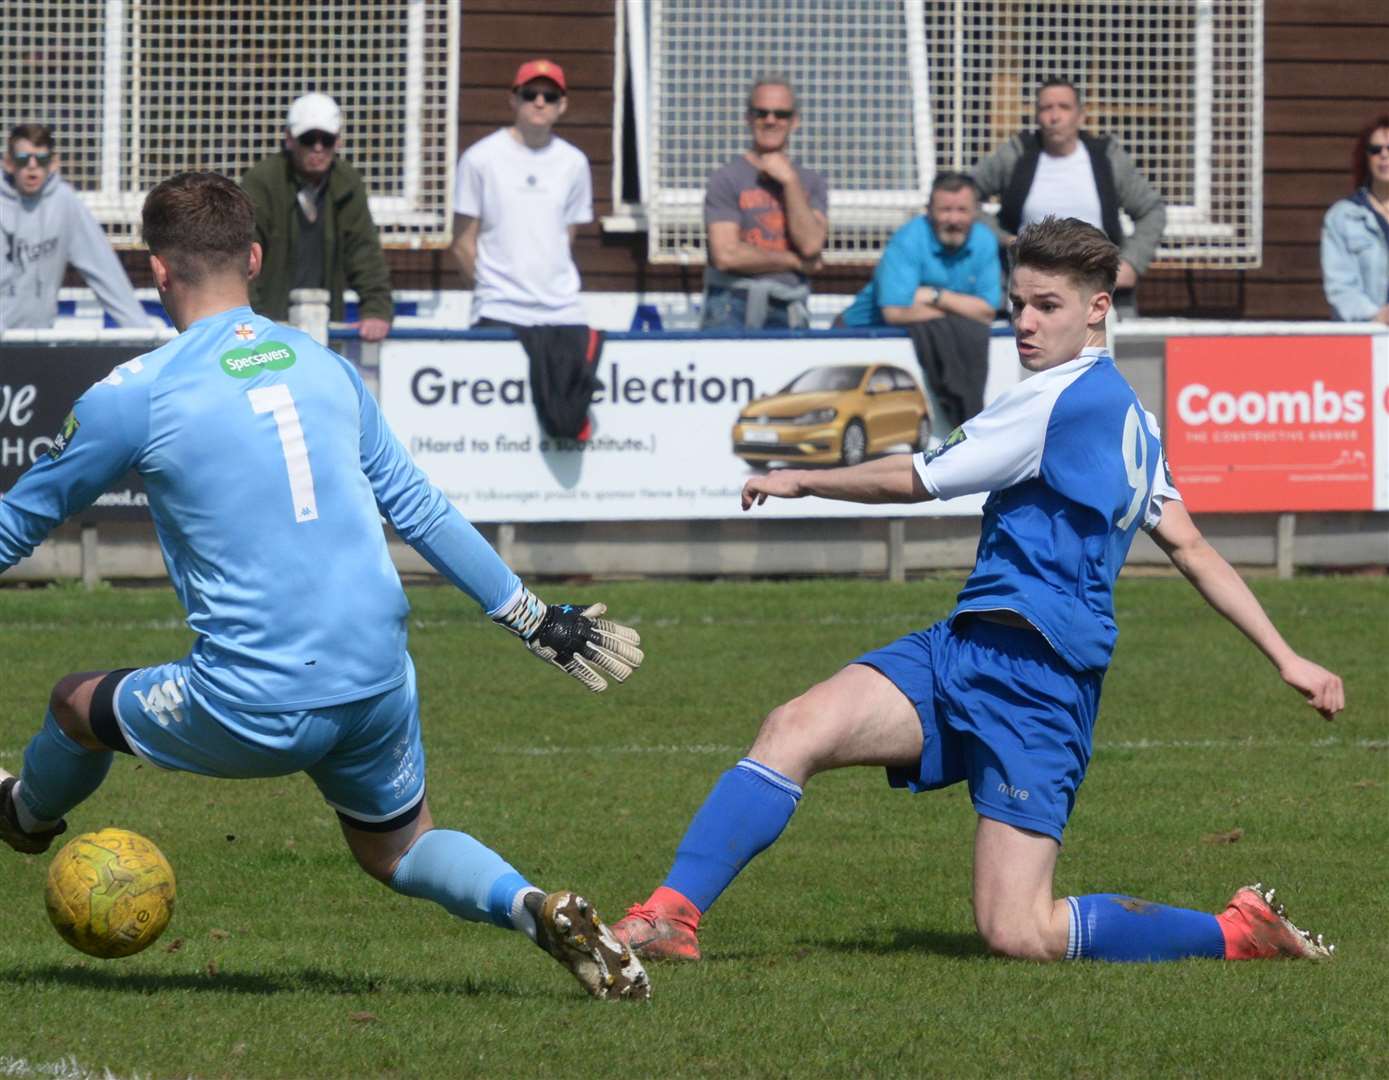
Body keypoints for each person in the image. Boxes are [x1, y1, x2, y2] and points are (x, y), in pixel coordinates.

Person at [612, 216, 1343, 967]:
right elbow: (1189, 545)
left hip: (1041, 685)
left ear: (1096, 308)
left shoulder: (1062, 399)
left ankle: (1234, 931)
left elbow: (921, 476)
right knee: (794, 726)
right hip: (961, 648)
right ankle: (670, 914)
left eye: (1046, 305)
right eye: (1016, 303)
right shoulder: (1132, 415)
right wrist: (1286, 657)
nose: (1023, 322)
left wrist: (803, 478)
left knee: (1017, 931)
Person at [0, 172, 650, 1002]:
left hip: (255, 700)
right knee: (398, 848)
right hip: (377, 677)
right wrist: (533, 618)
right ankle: (530, 905)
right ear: (257, 259)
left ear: (157, 272)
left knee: (70, 704)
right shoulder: (324, 366)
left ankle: (24, 815)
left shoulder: (135, 394)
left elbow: (18, 525)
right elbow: (416, 506)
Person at [971, 79, 1165, 311]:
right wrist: (1003, 238)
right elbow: (963, 198)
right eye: (1046, 108)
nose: (1054, 117)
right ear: (1036, 116)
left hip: (1099, 293)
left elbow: (1151, 211)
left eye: (1064, 107)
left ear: (1081, 116)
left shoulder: (1106, 159)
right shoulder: (1017, 156)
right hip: (1031, 298)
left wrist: (1132, 262)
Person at [450, 59, 592, 330]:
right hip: (499, 309)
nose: (540, 102)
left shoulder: (574, 163)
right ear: (513, 100)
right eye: (530, 95)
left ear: (562, 105)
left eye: (550, 97)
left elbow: (567, 235)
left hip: (563, 312)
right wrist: (490, 289)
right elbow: (462, 242)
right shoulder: (480, 159)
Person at [240, 94, 394, 342]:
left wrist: (376, 310)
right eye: (309, 139)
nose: (318, 148)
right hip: (267, 326)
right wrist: (255, 322)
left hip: (325, 324)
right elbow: (243, 259)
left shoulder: (347, 183)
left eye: (327, 139)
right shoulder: (262, 182)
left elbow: (364, 252)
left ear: (339, 141)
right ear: (289, 139)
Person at [701, 75, 829, 330]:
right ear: (748, 118)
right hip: (732, 303)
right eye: (762, 113)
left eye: (780, 114)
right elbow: (726, 255)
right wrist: (793, 262)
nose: (771, 121)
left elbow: (811, 244)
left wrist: (790, 182)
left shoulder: (810, 181)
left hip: (788, 305)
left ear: (795, 122)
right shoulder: (726, 178)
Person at [1, 123, 151, 332]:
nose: (32, 166)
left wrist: (143, 333)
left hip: (35, 340)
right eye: (23, 159)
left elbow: (104, 269)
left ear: (53, 163)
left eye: (41, 159)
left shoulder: (65, 202)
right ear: (8, 163)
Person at [838, 172, 1001, 328]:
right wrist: (965, 310)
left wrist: (936, 296)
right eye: (945, 210)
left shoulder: (985, 240)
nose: (953, 219)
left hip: (936, 335)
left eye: (962, 210)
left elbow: (987, 313)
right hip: (857, 335)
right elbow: (895, 313)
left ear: (975, 212)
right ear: (928, 211)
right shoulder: (907, 240)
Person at [1320, 113, 1389, 323]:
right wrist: (1378, 317)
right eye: (1376, 150)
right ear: (1365, 157)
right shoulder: (1342, 218)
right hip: (1366, 339)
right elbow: (1340, 288)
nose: (1384, 155)